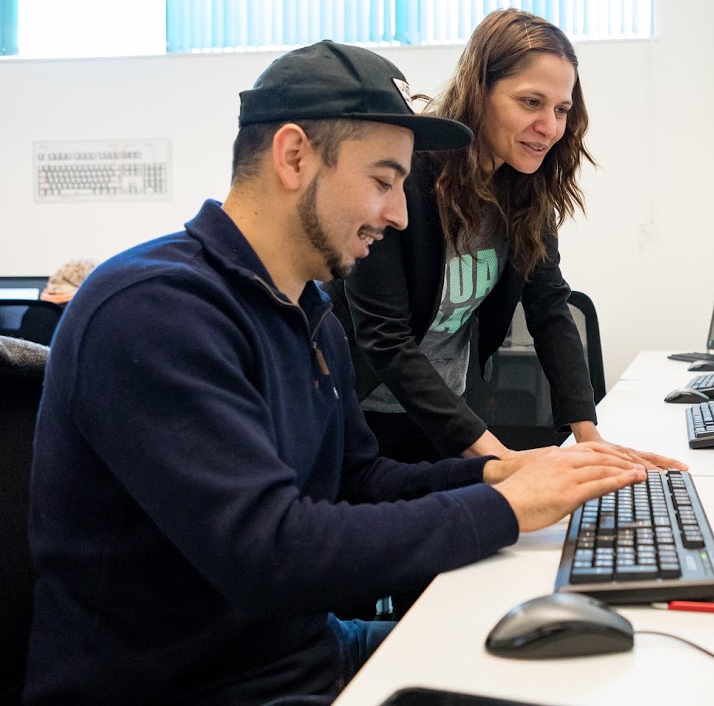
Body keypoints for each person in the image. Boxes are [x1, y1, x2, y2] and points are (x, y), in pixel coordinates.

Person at [24, 40, 651, 705]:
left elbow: (356, 479)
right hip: (199, 688)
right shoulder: (155, 312)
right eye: (383, 180)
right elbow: (273, 555)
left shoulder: (309, 311)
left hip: (302, 655)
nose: (401, 214)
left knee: (586, 673)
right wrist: (502, 508)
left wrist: (498, 472)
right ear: (294, 156)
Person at [330, 8, 675, 467]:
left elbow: (550, 308)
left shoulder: (523, 194)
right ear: (479, 92)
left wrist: (588, 437)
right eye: (531, 103)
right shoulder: (407, 177)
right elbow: (384, 335)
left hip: (449, 414)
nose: (550, 127)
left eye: (561, 109)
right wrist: (499, 456)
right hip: (363, 413)